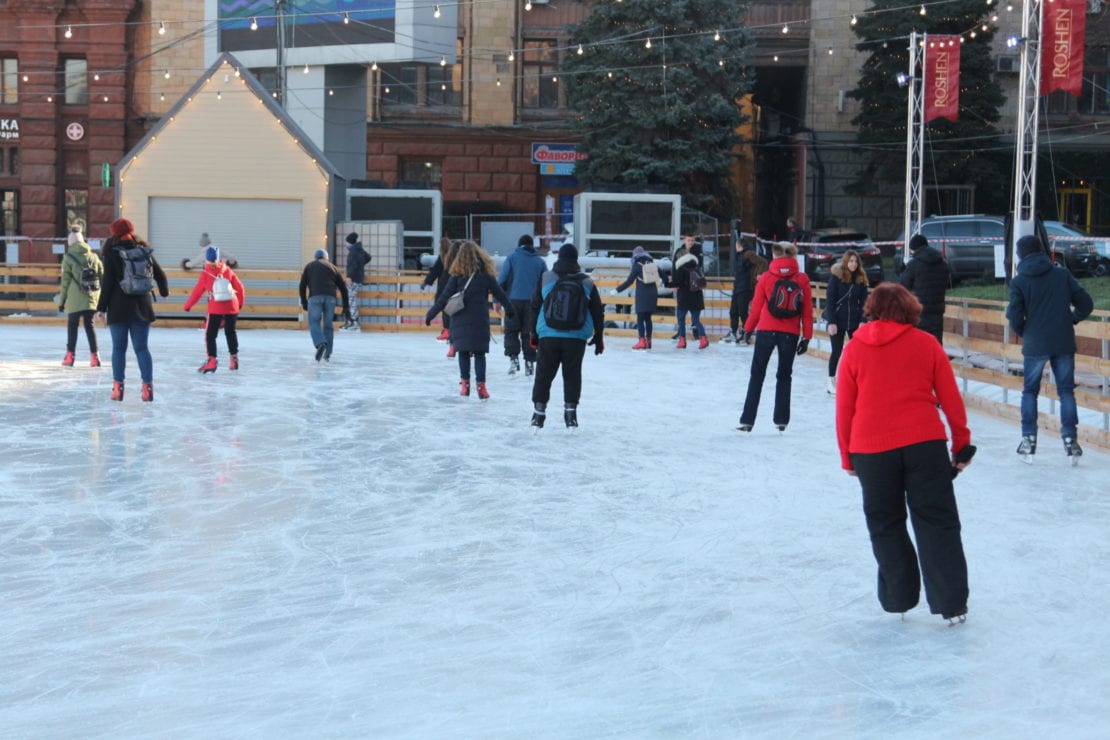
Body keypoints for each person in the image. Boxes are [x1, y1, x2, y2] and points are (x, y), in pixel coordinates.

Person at [835, 282, 973, 625]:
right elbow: (951, 399)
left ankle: (898, 599)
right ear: (911, 309)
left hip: (871, 449)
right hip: (924, 445)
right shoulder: (926, 344)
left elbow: (844, 408)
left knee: (885, 523)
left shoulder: (853, 349)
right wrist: (961, 444)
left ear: (871, 309)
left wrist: (847, 456)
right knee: (937, 522)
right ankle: (951, 604)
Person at [1005, 234, 1094, 462]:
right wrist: (1072, 319)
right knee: (1066, 391)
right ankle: (1070, 440)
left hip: (1035, 343)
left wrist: (1026, 331)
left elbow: (1014, 315)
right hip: (1062, 340)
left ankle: (1028, 440)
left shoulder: (1019, 281)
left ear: (1021, 255)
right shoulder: (1062, 275)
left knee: (1029, 391)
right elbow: (1086, 303)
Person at [738, 241, 813, 433]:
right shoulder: (802, 279)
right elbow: (807, 310)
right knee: (784, 375)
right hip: (790, 333)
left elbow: (755, 308)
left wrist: (747, 329)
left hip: (766, 330)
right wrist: (807, 337)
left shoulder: (766, 278)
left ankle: (748, 420)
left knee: (757, 374)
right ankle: (781, 420)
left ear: (775, 255)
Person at [424, 240, 513, 399]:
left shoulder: (456, 276)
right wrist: (511, 311)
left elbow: (444, 297)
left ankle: (465, 386)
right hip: (479, 320)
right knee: (479, 354)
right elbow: (499, 293)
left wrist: (431, 314)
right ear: (478, 255)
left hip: (460, 319)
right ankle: (481, 387)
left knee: (463, 352)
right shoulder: (486, 275)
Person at [529, 243, 605, 428]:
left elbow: (534, 307)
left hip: (548, 334)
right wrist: (599, 337)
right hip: (576, 337)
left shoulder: (546, 278)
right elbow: (597, 311)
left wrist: (533, 334)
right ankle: (571, 415)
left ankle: (538, 414)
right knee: (572, 374)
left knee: (544, 374)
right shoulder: (586, 282)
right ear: (576, 260)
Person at [95, 217, 170, 402]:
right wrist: (164, 292)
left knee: (119, 349)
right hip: (142, 307)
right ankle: (147, 389)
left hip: (118, 308)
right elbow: (160, 275)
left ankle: (118, 389)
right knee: (142, 349)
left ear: (114, 233)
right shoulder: (143, 251)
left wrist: (101, 309)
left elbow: (107, 284)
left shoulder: (112, 253)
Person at [183, 245, 246, 373]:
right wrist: (239, 303)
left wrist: (188, 305)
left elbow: (197, 292)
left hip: (216, 308)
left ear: (206, 259)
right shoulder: (228, 270)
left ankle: (211, 361)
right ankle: (234, 359)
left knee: (210, 335)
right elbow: (240, 288)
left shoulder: (205, 274)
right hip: (231, 307)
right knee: (230, 332)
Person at [822, 249, 870, 394]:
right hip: (837, 320)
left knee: (858, 352)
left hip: (854, 321)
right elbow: (830, 301)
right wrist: (831, 322)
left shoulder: (861, 279)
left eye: (856, 261)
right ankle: (831, 381)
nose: (853, 264)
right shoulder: (836, 278)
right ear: (845, 262)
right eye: (851, 261)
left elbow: (864, 302)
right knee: (836, 351)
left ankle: (856, 380)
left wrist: (863, 320)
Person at [498, 233, 546, 375]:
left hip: (512, 301)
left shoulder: (512, 258)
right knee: (529, 332)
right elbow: (546, 283)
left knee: (511, 331)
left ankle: (513, 359)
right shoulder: (540, 261)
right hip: (533, 303)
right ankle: (530, 362)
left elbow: (502, 280)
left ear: (519, 245)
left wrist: (496, 300)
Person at [59, 227, 103, 368]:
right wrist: (101, 298)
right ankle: (95, 357)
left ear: (70, 242)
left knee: (72, 326)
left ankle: (70, 357)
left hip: (74, 298)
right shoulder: (93, 256)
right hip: (91, 296)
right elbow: (102, 277)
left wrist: (62, 301)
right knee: (89, 326)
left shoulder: (68, 257)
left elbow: (65, 281)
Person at [298, 248, 350, 363]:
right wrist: (346, 306)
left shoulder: (310, 266)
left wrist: (304, 302)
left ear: (316, 258)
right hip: (330, 298)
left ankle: (320, 342)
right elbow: (343, 288)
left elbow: (302, 286)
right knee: (328, 326)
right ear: (326, 258)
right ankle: (327, 354)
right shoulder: (333, 267)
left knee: (314, 322)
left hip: (315, 297)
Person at [899, 233, 949, 344]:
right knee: (935, 344)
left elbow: (903, 286)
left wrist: (903, 270)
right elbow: (946, 282)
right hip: (938, 311)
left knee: (920, 346)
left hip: (919, 312)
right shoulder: (942, 262)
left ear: (914, 249)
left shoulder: (914, 264)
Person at [615, 245, 659, 350]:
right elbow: (662, 275)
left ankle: (641, 341)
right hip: (653, 293)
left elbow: (629, 281)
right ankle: (649, 341)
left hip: (642, 294)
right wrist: (668, 284)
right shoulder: (651, 263)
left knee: (640, 318)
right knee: (648, 318)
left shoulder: (636, 265)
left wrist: (617, 290)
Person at [724, 239, 767, 344]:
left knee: (743, 311)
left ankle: (747, 332)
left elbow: (763, 262)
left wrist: (759, 274)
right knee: (733, 311)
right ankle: (733, 332)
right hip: (738, 286)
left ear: (739, 245)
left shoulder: (748, 254)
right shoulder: (740, 255)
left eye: (736, 245)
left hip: (745, 287)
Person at [666, 246, 709, 349]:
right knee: (696, 320)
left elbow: (677, 282)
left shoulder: (680, 268)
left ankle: (682, 341)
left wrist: (667, 284)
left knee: (681, 320)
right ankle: (703, 339)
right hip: (697, 298)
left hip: (684, 298)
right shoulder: (697, 267)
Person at [423, 237, 459, 347]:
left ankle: (448, 330)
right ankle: (449, 330)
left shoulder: (444, 257)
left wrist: (427, 281)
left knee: (445, 308)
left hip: (445, 286)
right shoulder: (453, 257)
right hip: (453, 286)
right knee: (451, 309)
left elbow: (435, 271)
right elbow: (436, 270)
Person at [342, 231, 371, 332]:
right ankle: (352, 321)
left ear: (350, 242)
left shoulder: (353, 252)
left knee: (350, 300)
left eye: (346, 242)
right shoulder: (359, 250)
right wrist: (360, 265)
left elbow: (352, 266)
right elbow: (368, 257)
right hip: (358, 278)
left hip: (353, 279)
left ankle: (354, 322)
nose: (345, 244)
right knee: (351, 299)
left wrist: (349, 276)